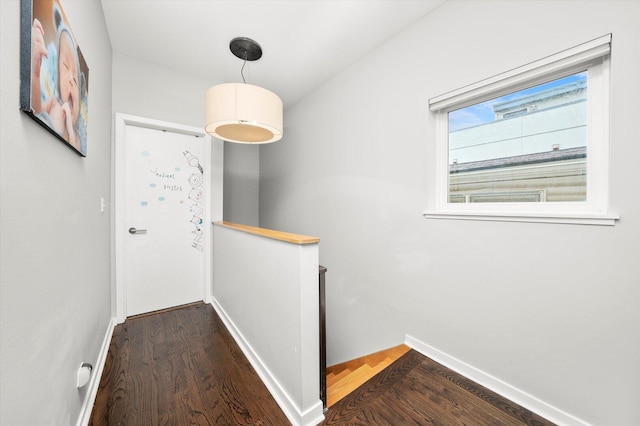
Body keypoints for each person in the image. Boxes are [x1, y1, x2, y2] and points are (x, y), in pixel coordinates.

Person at [30, 3, 87, 154]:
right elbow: (36, 109)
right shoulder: (53, 103)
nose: (70, 79)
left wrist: (69, 122)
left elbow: (75, 147)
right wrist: (35, 75)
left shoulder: (77, 137)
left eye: (75, 80)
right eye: (65, 68)